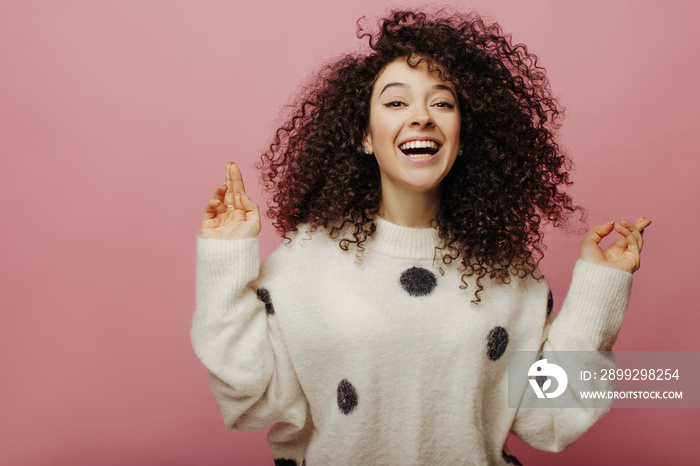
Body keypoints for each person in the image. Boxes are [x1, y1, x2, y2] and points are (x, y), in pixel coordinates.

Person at [192, 10, 651, 465]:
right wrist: (224, 260)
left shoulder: (508, 273)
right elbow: (253, 400)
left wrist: (599, 290)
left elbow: (547, 420)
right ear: (365, 137)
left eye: (442, 103)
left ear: (463, 136)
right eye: (395, 103)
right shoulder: (305, 262)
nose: (422, 117)